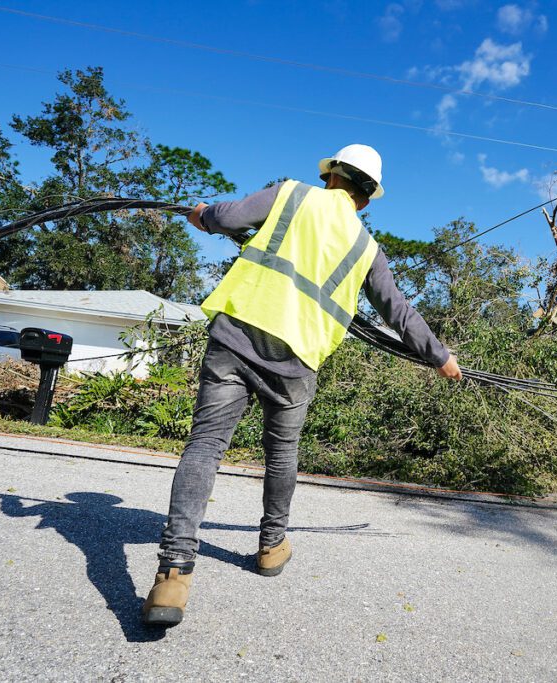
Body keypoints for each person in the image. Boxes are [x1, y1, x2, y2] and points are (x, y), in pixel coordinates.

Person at [142, 144, 462, 626]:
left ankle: (174, 573)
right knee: (282, 451)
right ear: (366, 199)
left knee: (205, 446)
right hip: (297, 362)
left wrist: (203, 215)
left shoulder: (290, 195)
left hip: (238, 334)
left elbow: (228, 218)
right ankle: (271, 546)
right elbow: (398, 311)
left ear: (331, 175)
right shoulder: (367, 250)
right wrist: (441, 357)